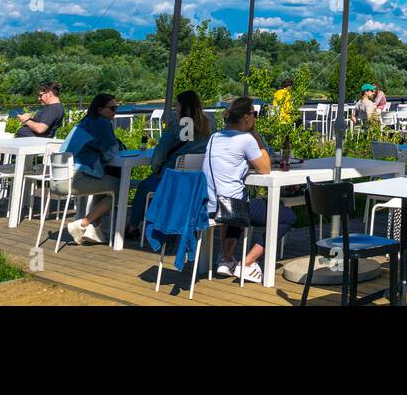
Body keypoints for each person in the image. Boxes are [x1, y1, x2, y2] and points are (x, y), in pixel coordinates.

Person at [202, 96, 295, 284]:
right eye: (254, 114)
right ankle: (247, 262)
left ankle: (226, 259)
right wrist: (255, 135)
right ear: (246, 117)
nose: (255, 118)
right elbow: (265, 168)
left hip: (210, 204)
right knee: (286, 217)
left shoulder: (214, 137)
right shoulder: (245, 139)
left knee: (240, 200)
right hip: (231, 207)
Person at [125, 90, 212, 237]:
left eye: (176, 105)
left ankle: (132, 226)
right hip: (196, 184)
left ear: (182, 107)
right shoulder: (208, 129)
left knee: (144, 186)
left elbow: (157, 160)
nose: (175, 108)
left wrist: (157, 169)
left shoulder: (175, 129)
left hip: (172, 181)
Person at [59, 93, 125, 244]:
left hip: (60, 177)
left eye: (117, 107)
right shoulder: (102, 123)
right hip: (76, 178)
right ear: (100, 109)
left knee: (106, 183)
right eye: (112, 108)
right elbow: (111, 153)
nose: (115, 111)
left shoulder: (85, 122)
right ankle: (84, 223)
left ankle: (95, 228)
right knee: (121, 188)